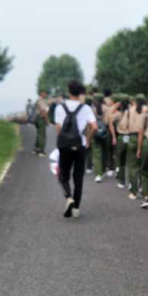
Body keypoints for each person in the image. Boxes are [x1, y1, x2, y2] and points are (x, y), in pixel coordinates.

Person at [54, 80, 97, 218]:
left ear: (69, 91)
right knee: (78, 178)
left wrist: (62, 140)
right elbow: (94, 127)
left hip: (65, 146)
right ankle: (76, 209)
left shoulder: (60, 107)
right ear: (80, 93)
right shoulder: (86, 108)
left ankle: (69, 197)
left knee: (63, 176)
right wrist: (88, 139)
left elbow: (58, 127)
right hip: (80, 145)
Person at [127, 95, 148, 199]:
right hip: (144, 138)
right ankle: (143, 189)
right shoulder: (146, 110)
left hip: (132, 138)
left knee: (132, 166)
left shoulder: (130, 110)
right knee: (143, 166)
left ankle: (133, 192)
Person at [34, 91, 49, 156]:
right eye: (44, 93)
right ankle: (41, 150)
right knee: (42, 135)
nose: (46, 94)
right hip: (41, 118)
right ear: (41, 93)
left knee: (39, 133)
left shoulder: (38, 100)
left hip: (37, 118)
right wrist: (47, 120)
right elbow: (43, 111)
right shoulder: (41, 101)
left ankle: (36, 148)